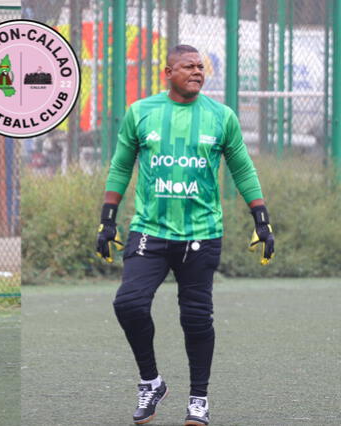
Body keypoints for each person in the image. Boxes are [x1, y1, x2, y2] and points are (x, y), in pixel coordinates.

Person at [96, 45, 275, 425]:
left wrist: (262, 219)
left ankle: (198, 399)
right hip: (150, 231)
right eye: (188, 67)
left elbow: (243, 168)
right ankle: (151, 382)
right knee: (128, 304)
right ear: (168, 72)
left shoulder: (220, 116)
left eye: (200, 67)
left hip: (202, 233)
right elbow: (121, 166)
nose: (197, 72)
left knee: (196, 318)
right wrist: (107, 219)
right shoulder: (141, 112)